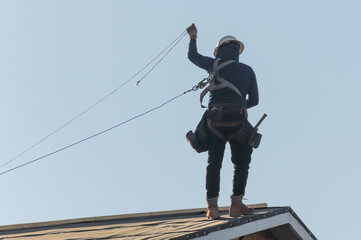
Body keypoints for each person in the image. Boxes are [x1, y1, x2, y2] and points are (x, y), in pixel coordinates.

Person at [186, 23, 259, 220]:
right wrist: (237, 104)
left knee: (214, 163)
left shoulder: (214, 65)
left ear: (219, 50)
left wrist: (193, 36)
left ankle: (213, 208)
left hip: (215, 121)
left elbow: (193, 57)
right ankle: (236, 205)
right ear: (236, 51)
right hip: (237, 121)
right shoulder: (248, 70)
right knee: (241, 162)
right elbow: (254, 101)